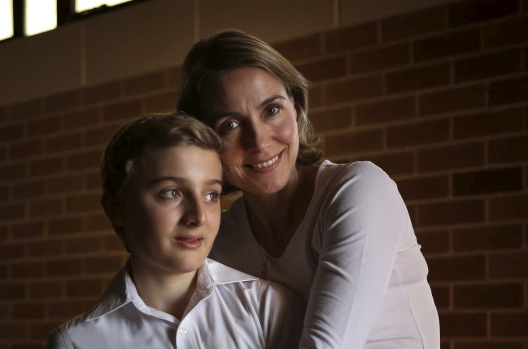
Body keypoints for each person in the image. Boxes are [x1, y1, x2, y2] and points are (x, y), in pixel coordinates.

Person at [177, 30, 440, 348]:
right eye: (230, 125)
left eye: (271, 110)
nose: (259, 142)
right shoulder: (223, 237)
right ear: (206, 143)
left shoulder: (359, 190)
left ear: (296, 108)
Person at [44, 112, 303, 349]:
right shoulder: (76, 343)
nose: (199, 216)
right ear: (118, 208)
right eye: (171, 193)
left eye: (211, 195)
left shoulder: (269, 309)